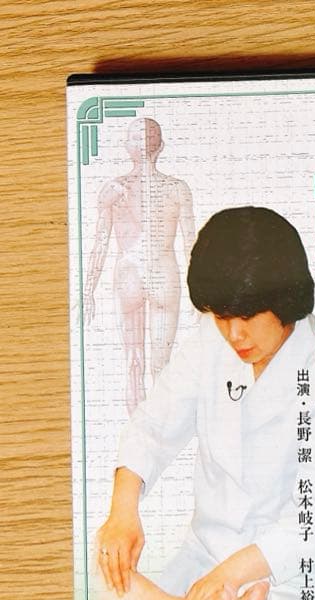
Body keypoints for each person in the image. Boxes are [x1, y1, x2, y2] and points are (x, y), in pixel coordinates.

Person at [94, 206, 315, 600]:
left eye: (248, 316)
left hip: (290, 581)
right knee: (84, 581)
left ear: (286, 300)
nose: (234, 334)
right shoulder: (210, 342)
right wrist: (122, 510)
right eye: (220, 317)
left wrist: (228, 577)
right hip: (205, 558)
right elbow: (154, 422)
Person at [83, 117, 196, 413]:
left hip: (128, 274)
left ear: (127, 147)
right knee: (161, 365)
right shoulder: (177, 189)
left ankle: (139, 433)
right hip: (163, 274)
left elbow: (100, 243)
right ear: (162, 147)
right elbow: (191, 245)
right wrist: (202, 297)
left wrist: (87, 290)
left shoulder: (113, 190)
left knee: (133, 363)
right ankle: (159, 430)